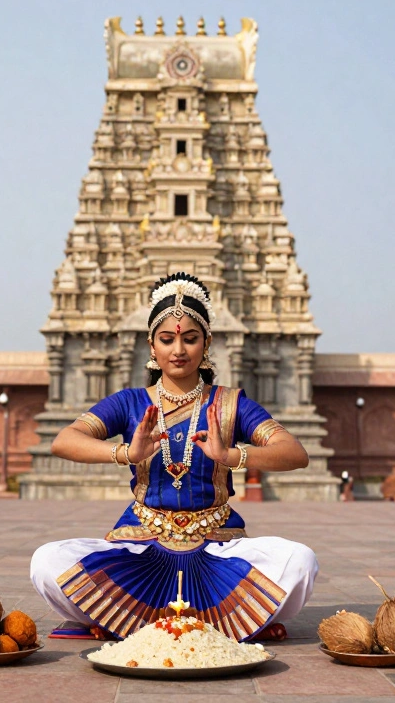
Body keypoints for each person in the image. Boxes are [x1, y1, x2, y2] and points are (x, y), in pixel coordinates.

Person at [29, 273, 318, 643]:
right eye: (167, 339)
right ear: (152, 346)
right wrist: (126, 453)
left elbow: (295, 453)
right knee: (47, 562)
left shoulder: (229, 404)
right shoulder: (131, 402)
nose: (178, 350)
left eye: (190, 338)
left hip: (215, 545)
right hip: (142, 545)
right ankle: (227, 621)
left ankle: (126, 619)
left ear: (207, 343)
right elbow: (64, 440)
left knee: (301, 562)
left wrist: (231, 455)